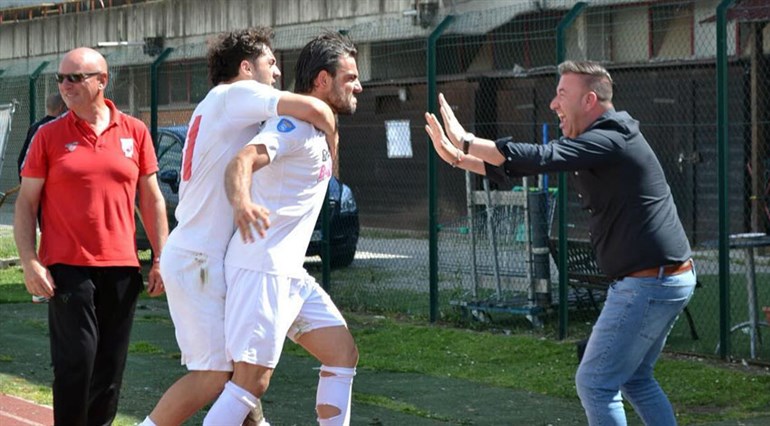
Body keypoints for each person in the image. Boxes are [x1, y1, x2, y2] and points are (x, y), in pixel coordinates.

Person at [424, 60, 697, 426]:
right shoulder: (606, 139)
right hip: (664, 278)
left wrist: (468, 141)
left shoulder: (612, 136)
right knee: (634, 378)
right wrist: (460, 158)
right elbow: (538, 163)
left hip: (649, 281)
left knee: (595, 382)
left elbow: (542, 157)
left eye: (561, 94)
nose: (553, 103)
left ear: (589, 100)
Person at [139, 27, 337, 426]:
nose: (278, 71)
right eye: (270, 62)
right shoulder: (236, 94)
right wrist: (332, 136)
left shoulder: (223, 105)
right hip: (200, 258)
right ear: (246, 68)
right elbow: (316, 110)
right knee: (214, 377)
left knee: (240, 372)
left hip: (206, 256)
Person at [203, 31, 362, 426]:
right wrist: (242, 202)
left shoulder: (319, 128)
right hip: (261, 270)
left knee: (342, 353)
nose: (359, 85)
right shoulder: (293, 125)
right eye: (349, 78)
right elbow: (243, 159)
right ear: (322, 81)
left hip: (289, 274)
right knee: (249, 385)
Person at [14, 47, 168, 425]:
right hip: (67, 267)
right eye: (61, 78)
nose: (65, 85)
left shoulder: (135, 131)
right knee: (76, 363)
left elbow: (150, 198)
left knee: (109, 370)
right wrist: (29, 260)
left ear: (102, 80)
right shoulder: (48, 136)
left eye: (75, 77)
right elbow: (25, 204)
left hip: (121, 267)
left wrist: (162, 258)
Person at [18, 92, 67, 179]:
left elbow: (22, 158)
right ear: (61, 107)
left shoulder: (35, 127)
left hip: (31, 178)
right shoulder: (57, 128)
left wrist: (24, 181)